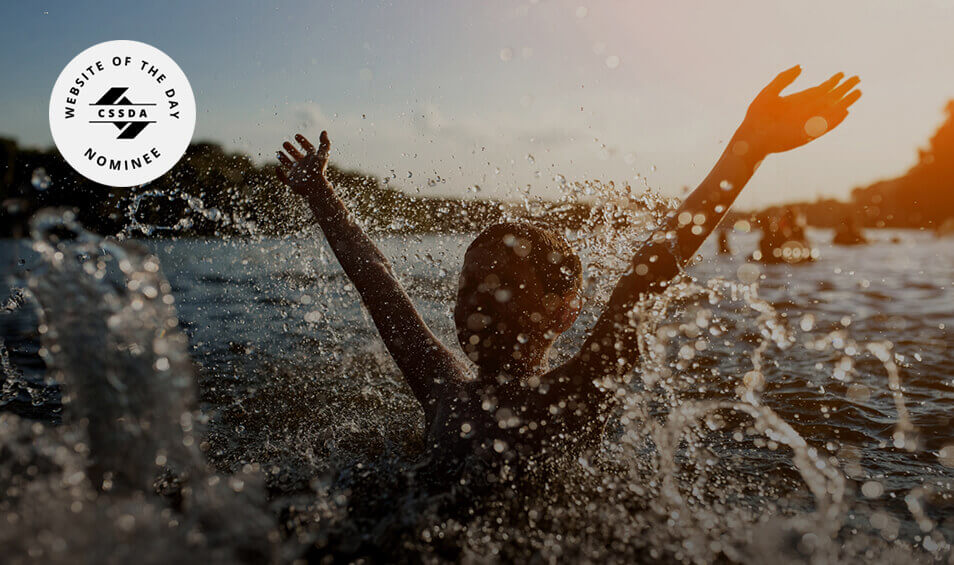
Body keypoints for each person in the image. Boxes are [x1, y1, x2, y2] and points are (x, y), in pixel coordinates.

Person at [275, 66, 860, 464]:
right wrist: (323, 198)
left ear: (563, 312)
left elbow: (646, 275)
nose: (474, 299)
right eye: (468, 284)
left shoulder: (576, 395)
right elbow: (379, 285)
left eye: (501, 284)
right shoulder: (442, 386)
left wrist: (748, 146)